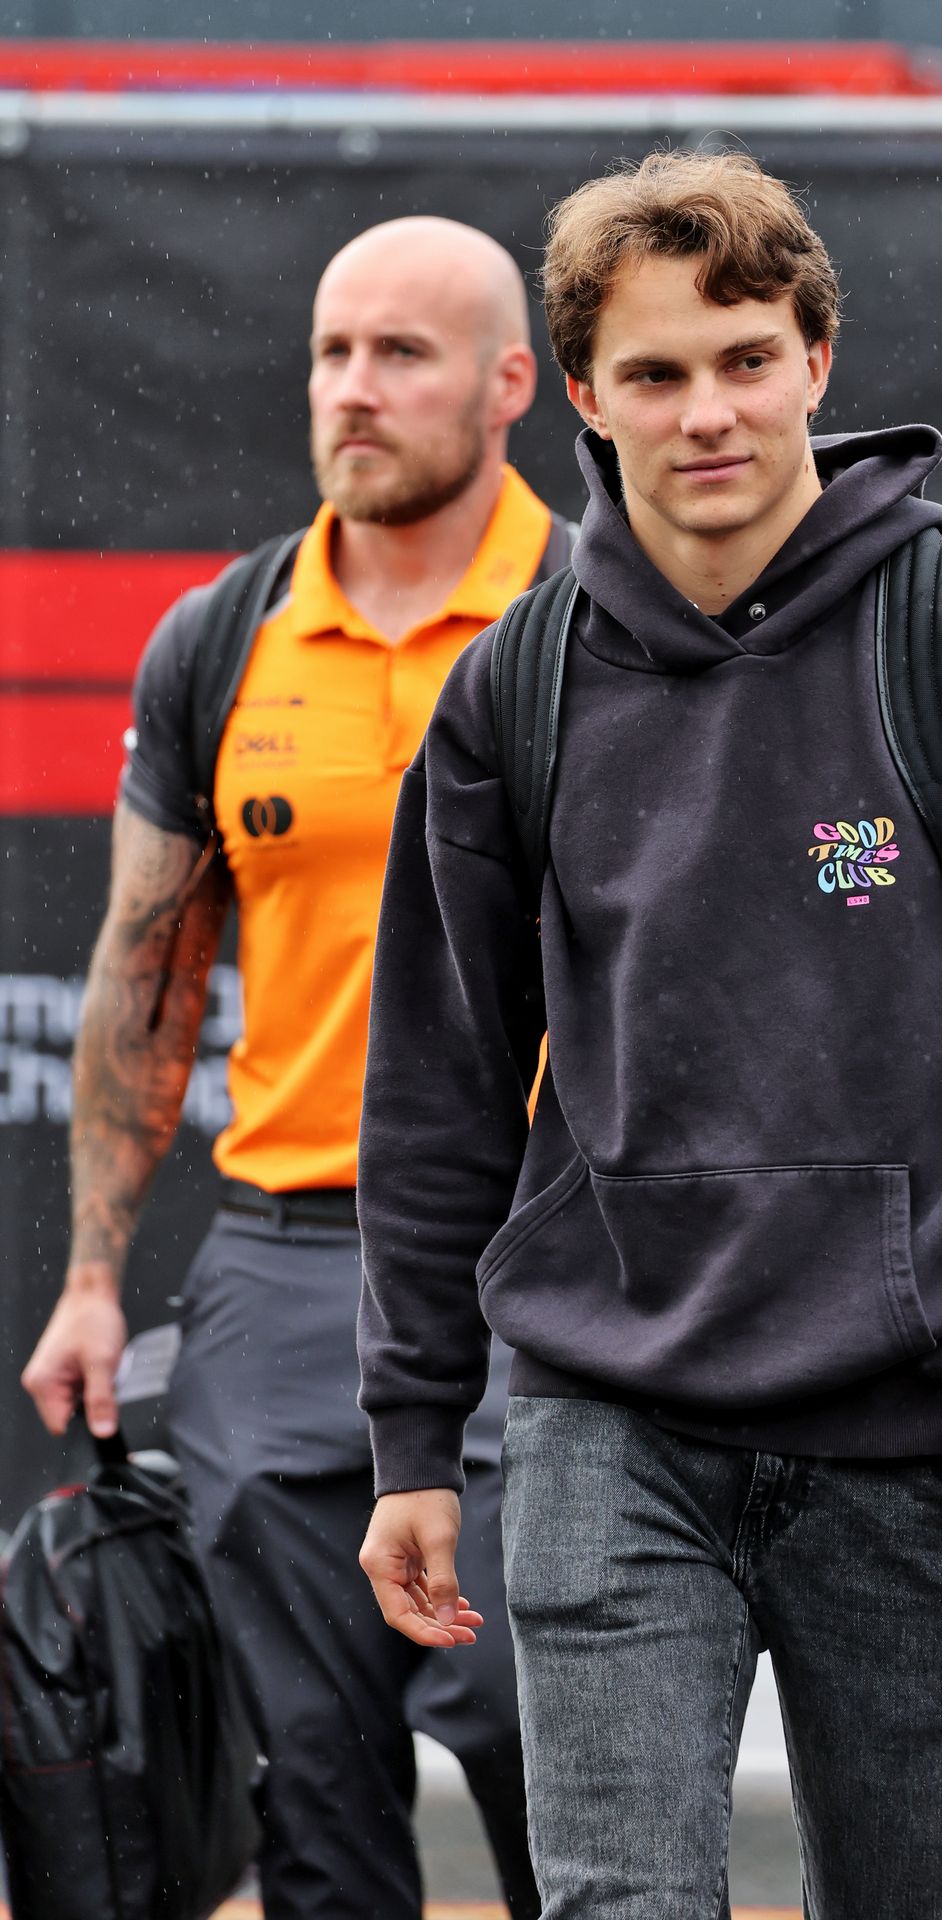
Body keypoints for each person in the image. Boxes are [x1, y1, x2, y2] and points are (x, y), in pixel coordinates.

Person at [354, 153, 942, 1920]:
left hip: (919, 1441)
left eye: (746, 359)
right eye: (655, 372)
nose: (707, 412)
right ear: (585, 397)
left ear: (816, 359)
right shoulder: (513, 689)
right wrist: (412, 1438)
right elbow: (438, 1093)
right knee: (620, 1905)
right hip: (605, 1423)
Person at [21, 215, 565, 1920]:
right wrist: (94, 1278)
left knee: (542, 1729)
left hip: (547, 1265)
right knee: (309, 1783)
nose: (353, 388)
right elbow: (145, 972)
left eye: (401, 353)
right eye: (332, 351)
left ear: (510, 385)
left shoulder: (604, 612)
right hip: (282, 1264)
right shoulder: (225, 634)